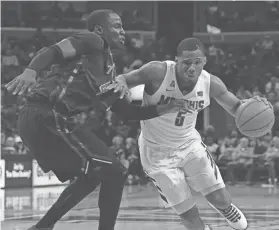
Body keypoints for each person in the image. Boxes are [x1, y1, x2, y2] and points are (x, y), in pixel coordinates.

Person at [5, 9, 188, 230]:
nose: (123, 31)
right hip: (46, 115)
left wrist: (164, 108)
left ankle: (42, 227)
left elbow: (126, 112)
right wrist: (30, 71)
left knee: (95, 175)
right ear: (101, 29)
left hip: (49, 120)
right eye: (117, 26)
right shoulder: (92, 40)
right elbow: (53, 51)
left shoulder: (107, 71)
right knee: (115, 171)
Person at [114, 37, 272, 230]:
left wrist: (251, 108)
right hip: (156, 153)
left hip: (189, 145)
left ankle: (228, 211)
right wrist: (121, 83)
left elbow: (237, 106)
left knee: (221, 199)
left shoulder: (211, 83)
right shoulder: (157, 71)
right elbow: (125, 78)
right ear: (176, 60)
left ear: (204, 61)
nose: (192, 68)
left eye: (197, 62)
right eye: (186, 62)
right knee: (189, 214)